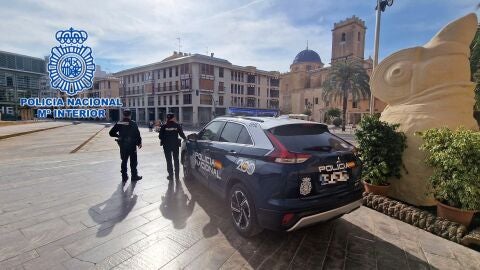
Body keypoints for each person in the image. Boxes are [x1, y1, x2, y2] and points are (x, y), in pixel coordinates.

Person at [109, 109, 143, 183]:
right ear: (130, 115)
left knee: (124, 161)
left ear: (123, 115)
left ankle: (124, 177)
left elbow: (111, 133)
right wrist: (139, 143)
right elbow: (137, 134)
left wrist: (118, 136)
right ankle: (134, 176)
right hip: (132, 145)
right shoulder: (133, 123)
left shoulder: (120, 123)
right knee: (133, 162)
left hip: (123, 145)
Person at [159, 112, 186, 180]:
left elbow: (160, 136)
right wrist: (186, 139)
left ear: (167, 118)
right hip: (175, 145)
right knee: (176, 160)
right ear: (173, 118)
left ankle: (170, 176)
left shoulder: (164, 126)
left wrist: (166, 138)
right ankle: (177, 176)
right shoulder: (177, 125)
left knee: (169, 160)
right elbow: (182, 134)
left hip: (166, 146)